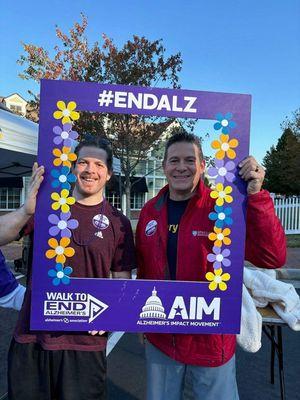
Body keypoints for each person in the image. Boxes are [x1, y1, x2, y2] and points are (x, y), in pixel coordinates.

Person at [136, 131, 286, 400]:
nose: (181, 167)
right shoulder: (150, 211)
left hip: (210, 338)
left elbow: (272, 257)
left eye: (189, 160)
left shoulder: (224, 209)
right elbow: (146, 271)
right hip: (161, 338)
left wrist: (256, 196)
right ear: (164, 166)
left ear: (203, 165)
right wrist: (138, 319)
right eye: (174, 160)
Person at [0, 136, 136, 400]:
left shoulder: (118, 223)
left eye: (98, 164)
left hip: (86, 345)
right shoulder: (45, 209)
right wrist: (26, 211)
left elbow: (123, 283)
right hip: (33, 339)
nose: (90, 170)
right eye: (83, 162)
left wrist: (113, 316)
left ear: (108, 174)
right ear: (73, 168)